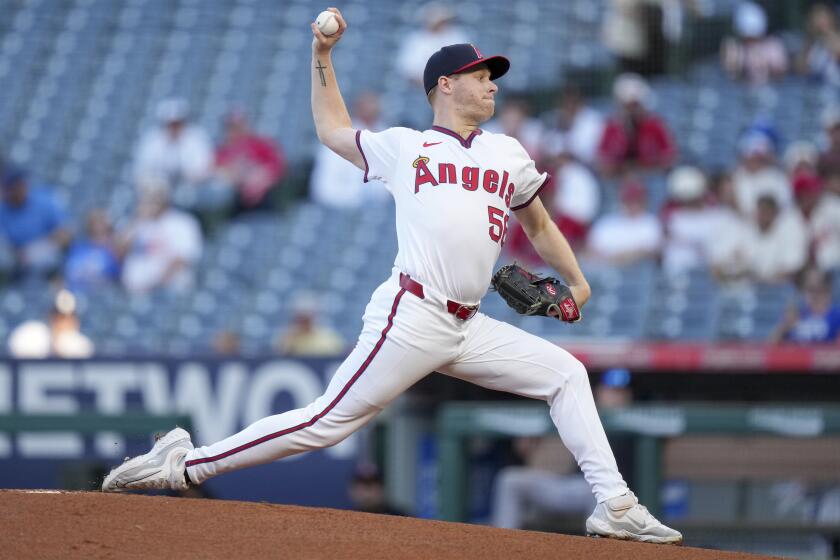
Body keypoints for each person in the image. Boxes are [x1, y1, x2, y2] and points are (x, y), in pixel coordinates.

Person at [102, 10, 681, 545]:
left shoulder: (509, 154)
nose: (493, 84)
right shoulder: (408, 146)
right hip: (413, 313)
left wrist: (577, 284)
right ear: (445, 86)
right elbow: (333, 130)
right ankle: (186, 463)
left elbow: (541, 224)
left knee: (566, 374)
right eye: (481, 75)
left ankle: (615, 503)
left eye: (493, 76)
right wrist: (322, 55)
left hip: (469, 324)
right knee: (326, 423)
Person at [490, 369, 633, 530]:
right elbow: (521, 449)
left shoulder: (627, 421)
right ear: (597, 391)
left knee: (602, 490)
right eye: (611, 391)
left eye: (620, 392)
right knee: (509, 479)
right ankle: (503, 546)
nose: (615, 397)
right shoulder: (558, 409)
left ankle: (600, 551)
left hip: (584, 487)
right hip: (549, 483)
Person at [118, 179, 203, 295]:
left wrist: (157, 286)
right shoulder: (139, 223)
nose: (148, 200)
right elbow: (119, 252)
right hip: (135, 292)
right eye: (145, 196)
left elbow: (183, 258)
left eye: (153, 196)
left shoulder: (182, 223)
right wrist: (136, 221)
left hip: (169, 293)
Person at [310, 91, 390, 208]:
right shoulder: (338, 136)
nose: (371, 110)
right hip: (342, 206)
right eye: (366, 106)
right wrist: (354, 202)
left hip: (381, 208)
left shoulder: (387, 135)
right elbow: (323, 188)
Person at [596, 73, 677, 177]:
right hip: (619, 182)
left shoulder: (655, 125)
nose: (631, 110)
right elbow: (602, 162)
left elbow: (669, 159)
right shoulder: (612, 127)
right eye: (627, 106)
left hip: (651, 180)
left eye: (634, 105)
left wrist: (643, 168)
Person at [0, 165, 72, 279]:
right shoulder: (3, 209)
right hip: (14, 256)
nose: (20, 188)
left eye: (21, 183)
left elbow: (66, 233)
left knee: (45, 256)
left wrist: (36, 250)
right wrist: (19, 254)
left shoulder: (42, 200)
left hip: (42, 251)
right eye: (14, 186)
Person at [214, 111, 287, 214]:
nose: (236, 130)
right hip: (236, 197)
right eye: (232, 127)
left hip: (263, 196)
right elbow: (217, 172)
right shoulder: (222, 151)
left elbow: (278, 167)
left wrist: (260, 178)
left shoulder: (260, 144)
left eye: (239, 125)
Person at [586, 179, 663, 267]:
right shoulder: (606, 222)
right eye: (629, 201)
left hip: (639, 272)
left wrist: (625, 257)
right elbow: (590, 252)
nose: (633, 205)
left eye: (637, 201)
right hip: (608, 271)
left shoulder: (650, 222)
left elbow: (653, 252)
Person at [7, 289, 94, 359]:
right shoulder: (31, 334)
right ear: (50, 317)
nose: (62, 323)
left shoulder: (81, 345)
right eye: (59, 317)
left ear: (76, 321)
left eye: (68, 318)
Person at [720, 1, 788, 85]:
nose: (751, 44)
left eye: (753, 39)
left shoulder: (773, 46)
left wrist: (764, 66)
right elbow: (731, 73)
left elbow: (780, 73)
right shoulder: (735, 48)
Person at [770, 268, 840, 344]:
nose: (814, 294)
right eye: (809, 289)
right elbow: (770, 347)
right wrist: (784, 326)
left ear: (826, 289)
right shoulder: (797, 314)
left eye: (817, 288)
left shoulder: (836, 315)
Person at [542, 86, 605, 167]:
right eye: (565, 102)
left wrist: (569, 155)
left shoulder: (593, 120)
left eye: (572, 101)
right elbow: (548, 153)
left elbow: (591, 155)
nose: (569, 105)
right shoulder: (556, 121)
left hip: (587, 170)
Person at [63, 209, 121, 293]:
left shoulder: (112, 249)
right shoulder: (79, 248)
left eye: (101, 223)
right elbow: (69, 272)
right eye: (95, 223)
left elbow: (114, 275)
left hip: (102, 295)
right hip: (76, 294)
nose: (98, 227)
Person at [274, 294, 345, 357]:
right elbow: (280, 358)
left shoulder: (329, 338)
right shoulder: (287, 338)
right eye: (301, 317)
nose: (304, 321)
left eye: (307, 317)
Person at [797, 3, 840, 88]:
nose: (818, 21)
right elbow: (800, 67)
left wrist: (828, 36)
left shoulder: (836, 38)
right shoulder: (811, 42)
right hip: (813, 87)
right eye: (816, 18)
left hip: (834, 88)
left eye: (822, 18)